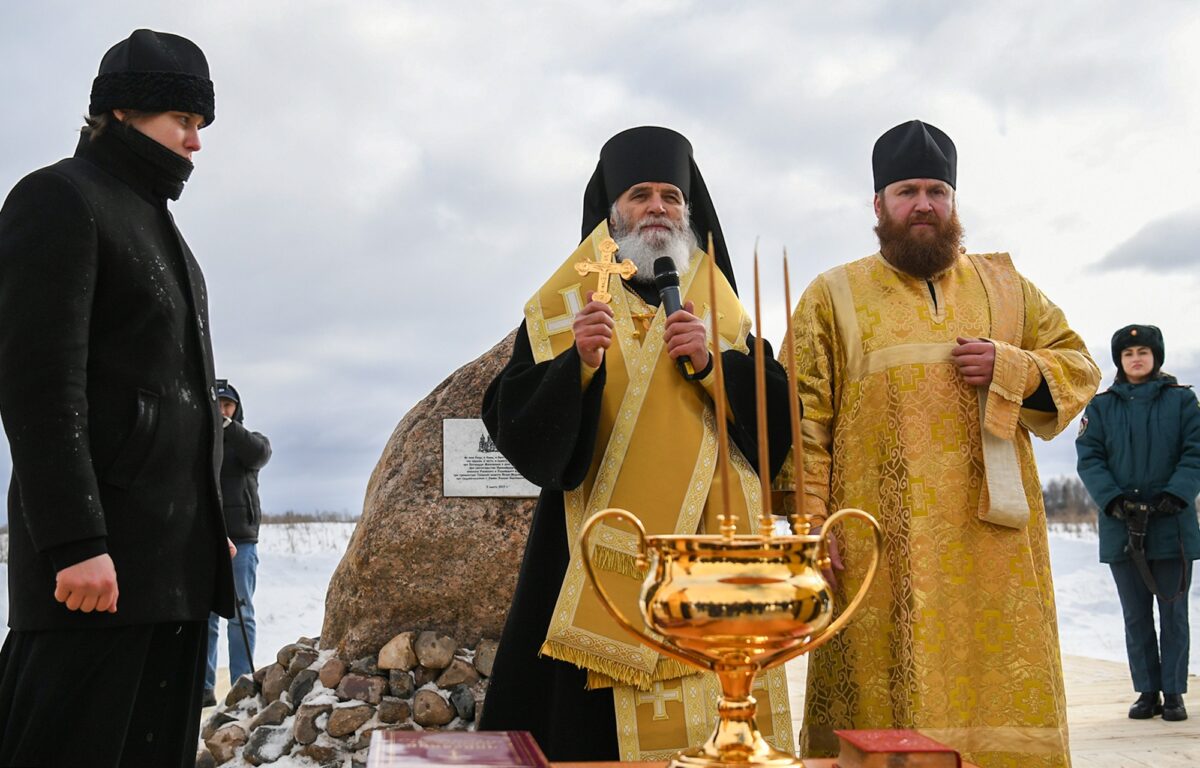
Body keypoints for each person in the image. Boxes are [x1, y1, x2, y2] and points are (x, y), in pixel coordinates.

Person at [786, 120, 1100, 768]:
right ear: (878, 205)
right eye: (906, 191)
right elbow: (802, 419)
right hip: (876, 540)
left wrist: (1015, 367)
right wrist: (813, 524)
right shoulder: (831, 294)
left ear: (954, 201)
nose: (923, 204)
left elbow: (1079, 364)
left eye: (936, 190)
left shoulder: (1006, 287)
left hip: (991, 546)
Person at [479, 126, 793, 760]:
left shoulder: (721, 313)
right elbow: (511, 419)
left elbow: (778, 422)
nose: (657, 208)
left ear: (688, 212)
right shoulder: (565, 308)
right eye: (641, 194)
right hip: (593, 563)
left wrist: (713, 367)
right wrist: (580, 366)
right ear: (612, 211)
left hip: (713, 563)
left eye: (671, 196)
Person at [0, 30, 235, 767]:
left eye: (200, 127)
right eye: (185, 123)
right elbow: (39, 384)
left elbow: (182, 402)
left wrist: (208, 524)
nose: (196, 144)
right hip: (94, 579)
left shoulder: (166, 233)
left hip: (170, 571)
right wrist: (75, 543)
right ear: (126, 113)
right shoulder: (59, 199)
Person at [1075, 324, 1200, 722]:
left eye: (1143, 351)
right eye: (1128, 354)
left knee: (1173, 613)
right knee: (1135, 614)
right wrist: (1113, 500)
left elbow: (1196, 452)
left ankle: (1174, 692)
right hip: (1122, 526)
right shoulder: (1100, 407)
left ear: (1156, 357)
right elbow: (1090, 457)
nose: (1136, 358)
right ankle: (1147, 691)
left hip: (1172, 523)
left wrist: (1176, 494)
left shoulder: (1183, 402)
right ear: (1119, 361)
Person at [204, 380, 272, 707]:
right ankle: (203, 687)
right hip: (205, 538)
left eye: (228, 405)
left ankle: (241, 684)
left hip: (242, 540)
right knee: (205, 616)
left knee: (240, 613)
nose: (222, 410)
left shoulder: (250, 442)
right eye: (217, 404)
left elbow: (260, 455)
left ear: (236, 408)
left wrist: (229, 428)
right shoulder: (200, 440)